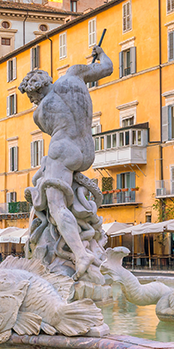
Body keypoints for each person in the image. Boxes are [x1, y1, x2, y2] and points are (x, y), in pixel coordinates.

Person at [18, 45, 113, 281]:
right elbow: (107, 68)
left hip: (63, 148)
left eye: (31, 98)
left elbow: (53, 133)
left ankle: (81, 255)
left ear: (35, 93)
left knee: (57, 206)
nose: (32, 102)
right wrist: (100, 54)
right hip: (86, 150)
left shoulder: (40, 112)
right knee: (45, 169)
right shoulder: (74, 75)